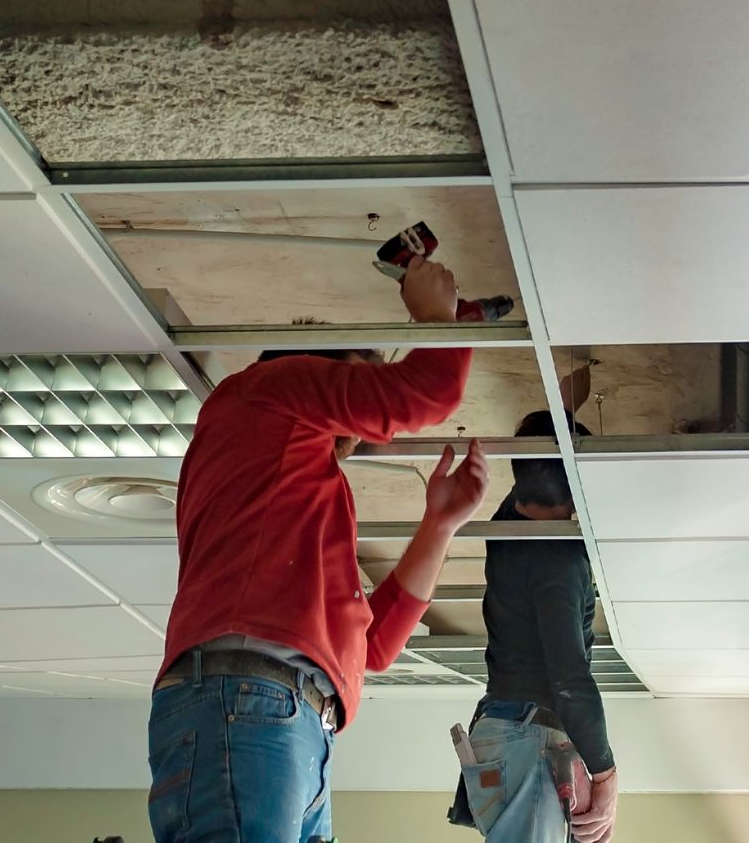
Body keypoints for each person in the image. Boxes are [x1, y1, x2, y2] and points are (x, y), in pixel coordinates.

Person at [149, 256, 492, 843]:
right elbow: (421, 394)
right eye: (368, 371)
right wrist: (441, 320)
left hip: (262, 709)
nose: (366, 403)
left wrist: (438, 525)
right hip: (261, 708)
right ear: (317, 365)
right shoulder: (266, 391)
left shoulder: (285, 473)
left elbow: (366, 647)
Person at [452, 410, 617, 843]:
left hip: (513, 733)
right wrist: (605, 773)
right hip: (521, 734)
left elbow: (542, 473)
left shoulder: (510, 518)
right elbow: (568, 677)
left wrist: (550, 439)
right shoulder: (559, 562)